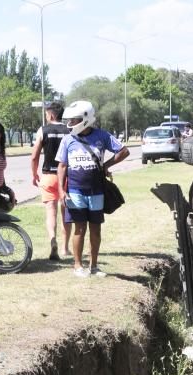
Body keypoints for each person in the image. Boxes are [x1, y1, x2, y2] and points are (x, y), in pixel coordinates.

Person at [55, 100, 130, 277]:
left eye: (74, 120)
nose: (70, 124)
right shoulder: (67, 140)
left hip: (97, 191)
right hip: (75, 191)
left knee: (96, 228)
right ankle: (77, 265)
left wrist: (106, 165)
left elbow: (124, 151)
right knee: (79, 228)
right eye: (69, 120)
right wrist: (61, 190)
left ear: (85, 119)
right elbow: (62, 166)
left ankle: (94, 266)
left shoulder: (102, 136)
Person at [30, 101, 71, 260]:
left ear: (52, 115)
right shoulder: (69, 130)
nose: (46, 117)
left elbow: (34, 156)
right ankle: (65, 248)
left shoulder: (43, 130)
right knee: (66, 213)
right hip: (66, 177)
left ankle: (52, 240)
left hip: (48, 176)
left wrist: (34, 174)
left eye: (47, 114)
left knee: (50, 213)